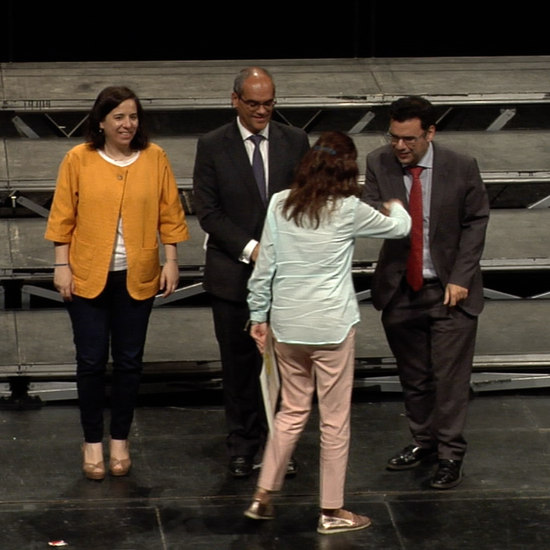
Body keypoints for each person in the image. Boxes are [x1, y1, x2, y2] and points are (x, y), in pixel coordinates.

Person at [244, 132, 411, 534]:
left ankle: (263, 494)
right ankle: (332, 512)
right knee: (334, 421)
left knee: (290, 411)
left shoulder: (280, 203)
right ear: (346, 170)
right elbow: (399, 229)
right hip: (331, 326)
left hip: (288, 324)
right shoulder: (349, 208)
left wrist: (257, 315)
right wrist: (396, 204)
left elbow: (264, 265)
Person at [45, 86, 189, 480]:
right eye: (120, 117)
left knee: (129, 363)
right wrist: (61, 265)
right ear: (102, 122)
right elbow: (62, 215)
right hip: (87, 275)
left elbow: (170, 213)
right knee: (90, 363)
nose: (128, 124)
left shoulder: (155, 157)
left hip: (137, 275)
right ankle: (92, 442)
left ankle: (120, 440)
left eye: (133, 116)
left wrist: (172, 259)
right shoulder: (79, 159)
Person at [362, 96, 489, 489]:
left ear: (430, 133)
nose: (400, 146)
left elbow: (476, 220)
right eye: (394, 137)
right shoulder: (378, 162)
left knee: (449, 379)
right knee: (414, 376)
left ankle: (451, 454)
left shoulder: (460, 165)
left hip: (449, 288)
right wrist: (387, 213)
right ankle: (424, 442)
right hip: (401, 288)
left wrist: (461, 277)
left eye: (409, 139)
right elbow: (367, 210)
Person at [193, 67, 310, 477]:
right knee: (239, 365)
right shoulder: (211, 145)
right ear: (235, 100)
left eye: (270, 103)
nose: (263, 111)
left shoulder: (295, 140)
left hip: (285, 276)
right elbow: (208, 211)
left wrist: (282, 251)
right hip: (233, 274)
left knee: (286, 365)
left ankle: (281, 444)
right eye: (255, 103)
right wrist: (252, 248)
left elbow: (306, 200)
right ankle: (242, 445)